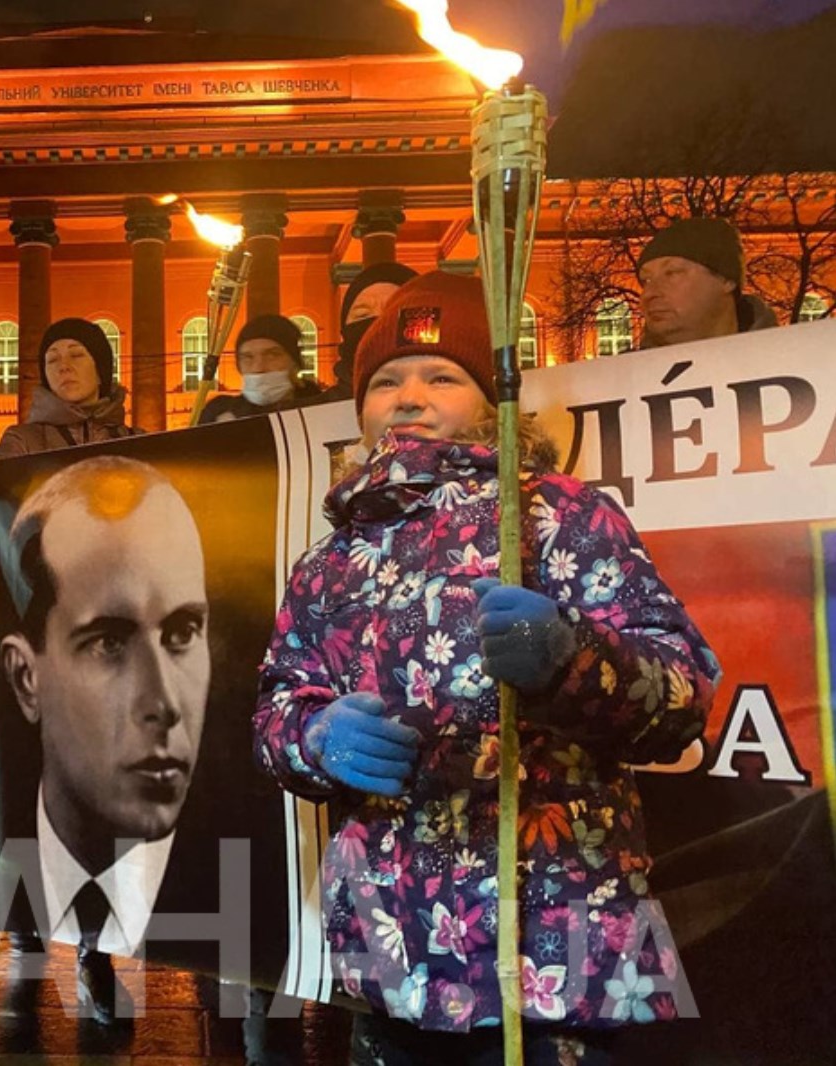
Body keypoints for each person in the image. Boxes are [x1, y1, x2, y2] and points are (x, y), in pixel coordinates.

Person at [253, 271, 722, 1065]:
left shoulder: (561, 514)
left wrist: (573, 660)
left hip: (554, 952)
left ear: (493, 400)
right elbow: (276, 707)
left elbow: (681, 694)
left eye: (442, 376)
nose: (410, 396)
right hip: (391, 954)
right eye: (387, 381)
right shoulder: (330, 561)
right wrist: (315, 738)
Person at [0, 455, 209, 1021]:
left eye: (183, 631)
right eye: (108, 643)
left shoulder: (244, 882)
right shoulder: (4, 843)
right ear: (26, 677)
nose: (163, 703)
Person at [0, 317, 138, 462]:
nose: (63, 366)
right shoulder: (22, 442)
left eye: (76, 355)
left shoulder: (137, 442)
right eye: (52, 359)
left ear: (100, 371)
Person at [637, 215, 776, 349]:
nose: (648, 294)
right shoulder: (628, 367)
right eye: (646, 280)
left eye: (672, 272)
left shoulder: (783, 357)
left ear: (726, 280)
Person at [198, 313, 326, 424]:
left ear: (294, 363)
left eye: (272, 355)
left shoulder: (323, 411)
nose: (258, 368)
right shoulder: (219, 417)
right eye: (248, 357)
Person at [322, 261, 418, 403]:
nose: (377, 323)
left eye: (393, 312)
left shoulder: (449, 405)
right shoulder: (307, 413)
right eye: (362, 315)